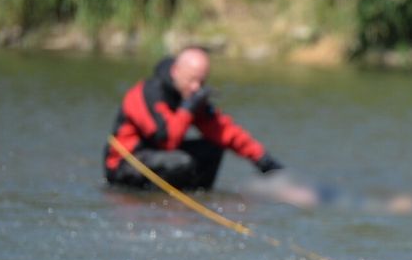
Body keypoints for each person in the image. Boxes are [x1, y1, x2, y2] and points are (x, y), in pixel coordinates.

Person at [104, 47, 283, 190]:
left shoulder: (190, 96)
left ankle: (197, 196)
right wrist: (187, 109)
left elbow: (225, 131)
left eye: (201, 82)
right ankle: (161, 205)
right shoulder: (145, 94)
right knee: (181, 162)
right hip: (125, 164)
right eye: (192, 80)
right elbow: (167, 140)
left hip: (160, 157)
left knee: (214, 148)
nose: (196, 87)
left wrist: (263, 161)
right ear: (175, 71)